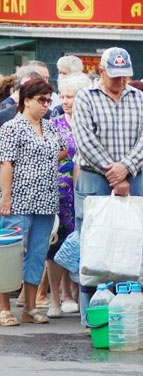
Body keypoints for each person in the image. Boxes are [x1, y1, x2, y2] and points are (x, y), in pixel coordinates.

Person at [72, 47, 143, 325]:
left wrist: (126, 169)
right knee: (94, 244)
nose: (120, 82)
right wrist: (114, 173)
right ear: (101, 71)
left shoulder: (138, 97)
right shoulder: (86, 97)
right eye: (115, 77)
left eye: (125, 77)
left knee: (131, 243)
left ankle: (126, 312)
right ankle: (92, 316)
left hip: (133, 177)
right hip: (95, 177)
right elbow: (85, 140)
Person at [0, 79, 67, 326]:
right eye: (41, 100)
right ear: (26, 100)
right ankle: (4, 307)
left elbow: (62, 149)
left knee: (38, 254)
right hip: (18, 198)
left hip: (46, 199)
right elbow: (5, 162)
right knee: (9, 253)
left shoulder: (49, 127)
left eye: (49, 100)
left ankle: (29, 306)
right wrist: (6, 196)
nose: (46, 105)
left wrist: (44, 164)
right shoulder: (12, 127)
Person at [46, 73, 92, 318]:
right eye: (62, 96)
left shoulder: (91, 123)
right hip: (60, 193)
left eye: (70, 96)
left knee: (81, 244)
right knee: (56, 246)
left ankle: (75, 293)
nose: (65, 100)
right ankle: (56, 297)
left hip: (85, 191)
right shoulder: (54, 125)